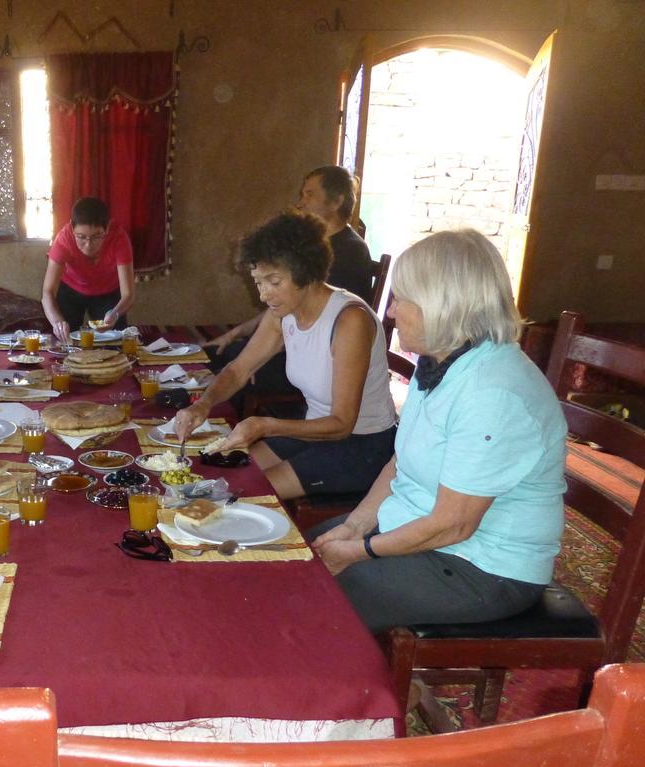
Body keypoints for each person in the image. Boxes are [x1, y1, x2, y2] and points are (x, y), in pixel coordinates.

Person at [311, 229, 567, 632]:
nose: (391, 312)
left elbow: (454, 524)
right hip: (426, 535)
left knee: (311, 599)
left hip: (482, 568)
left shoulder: (493, 391)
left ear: (441, 306)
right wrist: (356, 525)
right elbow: (402, 462)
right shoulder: (441, 363)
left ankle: (344, 689)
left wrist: (360, 551)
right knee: (296, 555)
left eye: (401, 299)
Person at [173, 210, 396, 500]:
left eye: (274, 282)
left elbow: (342, 423)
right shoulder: (283, 313)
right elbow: (239, 370)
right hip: (311, 431)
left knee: (240, 493)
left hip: (361, 445)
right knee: (219, 479)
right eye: (258, 282)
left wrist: (264, 425)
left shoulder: (349, 320)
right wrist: (203, 404)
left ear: (305, 272)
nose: (264, 294)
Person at [203, 166, 375, 401]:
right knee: (217, 354)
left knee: (227, 362)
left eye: (309, 194)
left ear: (336, 202)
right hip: (294, 340)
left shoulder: (349, 251)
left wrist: (262, 356)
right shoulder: (311, 245)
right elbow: (287, 308)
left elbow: (319, 322)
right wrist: (239, 332)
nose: (301, 202)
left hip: (322, 358)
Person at [41, 196, 135, 345]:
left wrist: (115, 313)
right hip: (70, 290)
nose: (88, 245)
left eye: (97, 236)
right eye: (81, 237)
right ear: (72, 227)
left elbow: (128, 294)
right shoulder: (63, 240)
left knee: (115, 343)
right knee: (65, 341)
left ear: (107, 228)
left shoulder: (119, 239)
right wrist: (57, 322)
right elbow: (47, 292)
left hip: (107, 292)